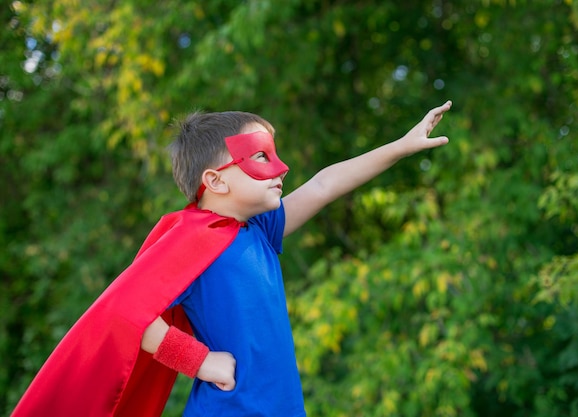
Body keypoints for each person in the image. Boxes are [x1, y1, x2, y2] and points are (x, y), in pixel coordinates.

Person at [11, 100, 452, 417]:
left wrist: (400, 146)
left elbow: (323, 185)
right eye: (261, 157)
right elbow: (125, 313)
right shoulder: (185, 240)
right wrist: (198, 361)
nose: (280, 168)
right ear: (215, 182)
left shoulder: (258, 229)